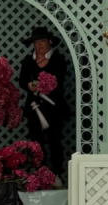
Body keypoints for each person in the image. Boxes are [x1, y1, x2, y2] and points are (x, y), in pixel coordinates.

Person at [18, 26, 70, 176]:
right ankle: (40, 173)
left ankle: (57, 174)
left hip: (54, 108)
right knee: (36, 142)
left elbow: (59, 79)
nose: (39, 45)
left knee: (55, 141)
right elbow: (22, 81)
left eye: (42, 41)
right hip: (34, 108)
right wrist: (29, 85)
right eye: (36, 42)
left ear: (50, 41)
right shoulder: (28, 60)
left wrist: (45, 86)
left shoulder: (58, 59)